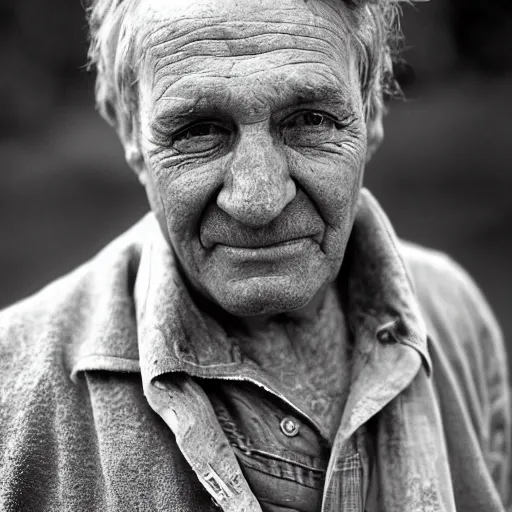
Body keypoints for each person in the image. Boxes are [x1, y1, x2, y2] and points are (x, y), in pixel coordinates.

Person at [0, 0, 510, 510]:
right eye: (199, 129)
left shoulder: (453, 314)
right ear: (129, 130)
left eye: (310, 119)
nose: (258, 200)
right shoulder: (12, 393)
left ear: (372, 110)